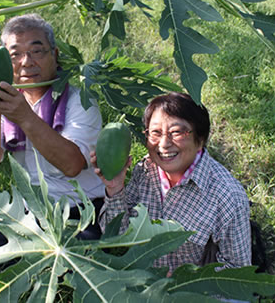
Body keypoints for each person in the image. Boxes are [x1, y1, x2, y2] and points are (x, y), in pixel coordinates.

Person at [0, 13, 106, 244]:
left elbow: (72, 165)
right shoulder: (9, 102)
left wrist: (25, 117)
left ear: (55, 54)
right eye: (15, 54)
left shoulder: (80, 102)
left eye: (37, 51)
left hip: (83, 212)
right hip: (32, 215)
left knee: (74, 263)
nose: (26, 62)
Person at [92, 92, 252, 273]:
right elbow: (116, 236)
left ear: (200, 139)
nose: (163, 144)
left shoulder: (228, 197)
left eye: (176, 132)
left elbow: (238, 270)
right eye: (155, 133)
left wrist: (182, 280)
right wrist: (115, 188)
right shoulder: (144, 171)